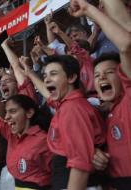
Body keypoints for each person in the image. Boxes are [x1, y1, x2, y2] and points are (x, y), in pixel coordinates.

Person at [69, 0, 131, 189]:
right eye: (96, 75)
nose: (101, 77)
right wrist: (96, 154)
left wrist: (88, 9)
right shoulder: (100, 115)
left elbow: (126, 45)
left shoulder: (128, 99)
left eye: (110, 72)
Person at [20, 54, 105, 190]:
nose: (47, 79)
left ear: (71, 77)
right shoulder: (66, 104)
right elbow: (47, 93)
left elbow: (80, 162)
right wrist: (29, 73)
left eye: (53, 74)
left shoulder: (73, 109)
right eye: (45, 75)